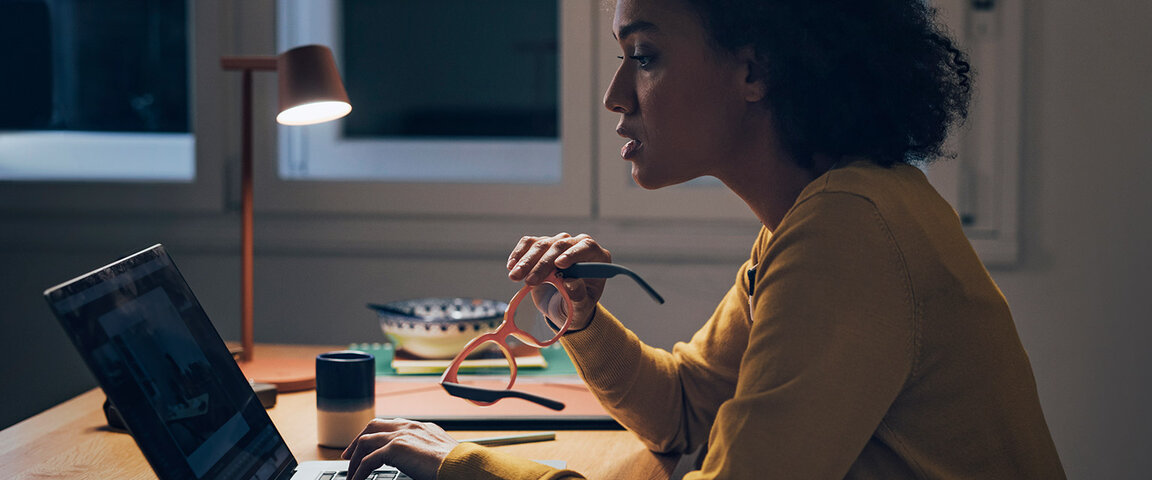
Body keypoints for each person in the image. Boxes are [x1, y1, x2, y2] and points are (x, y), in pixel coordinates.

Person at [343, 0, 1068, 478]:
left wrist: (464, 465)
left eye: (646, 55)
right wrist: (583, 318)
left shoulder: (849, 233)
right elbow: (687, 407)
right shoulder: (825, 213)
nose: (616, 94)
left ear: (752, 71)